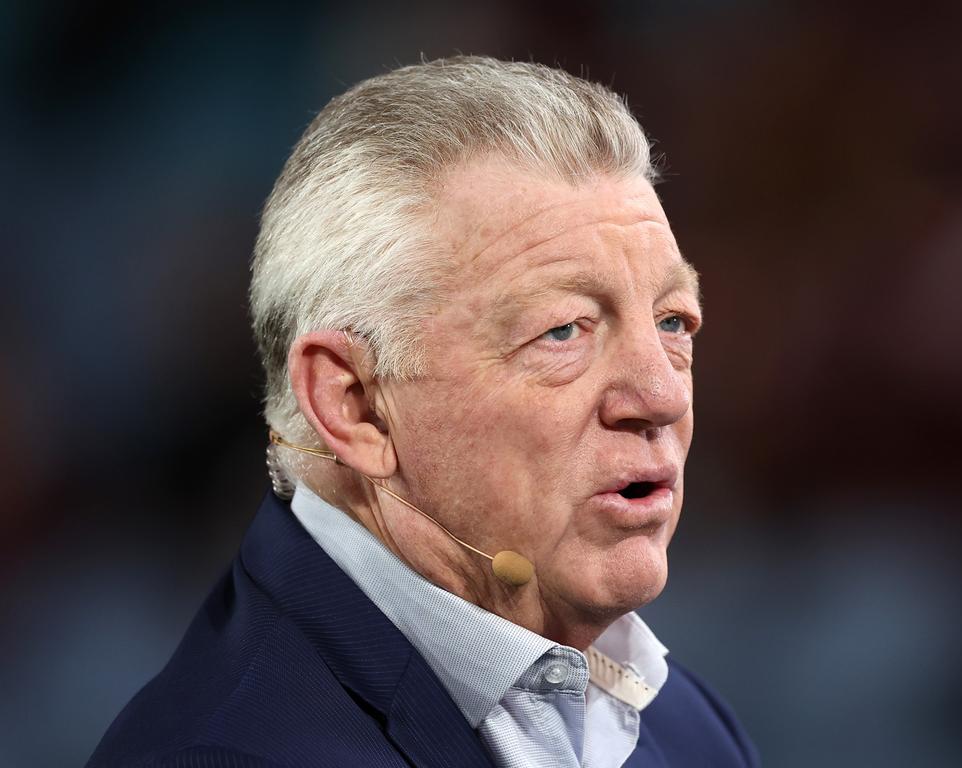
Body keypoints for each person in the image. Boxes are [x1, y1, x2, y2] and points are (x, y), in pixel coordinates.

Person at [87, 56, 759, 768]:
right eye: (563, 330)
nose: (662, 397)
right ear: (358, 407)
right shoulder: (229, 753)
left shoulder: (688, 729)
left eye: (673, 322)